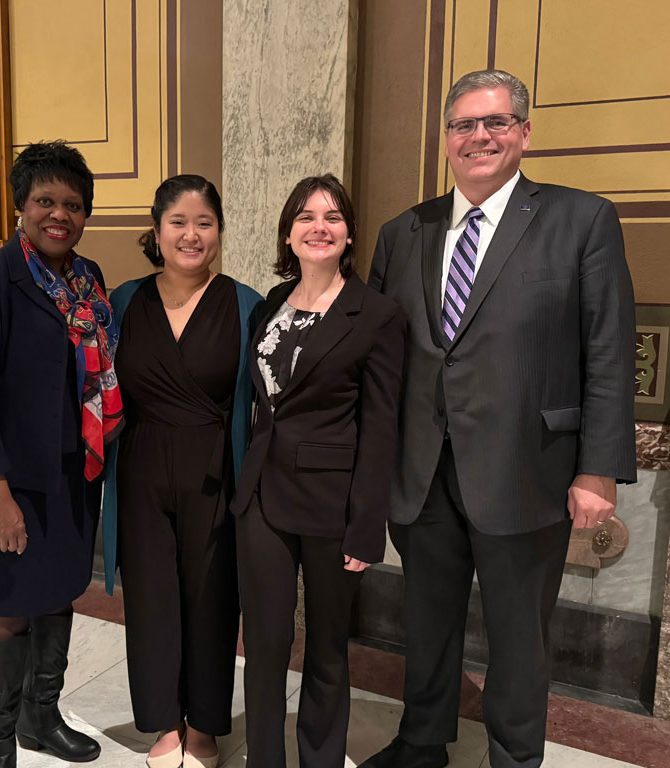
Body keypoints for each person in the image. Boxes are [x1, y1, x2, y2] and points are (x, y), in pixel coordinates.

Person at [360, 69, 636, 768]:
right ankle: (422, 743)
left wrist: (597, 470)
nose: (478, 136)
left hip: (528, 471)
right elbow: (380, 354)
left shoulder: (582, 219)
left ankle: (515, 759)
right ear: (445, 137)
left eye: (496, 122)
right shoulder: (404, 231)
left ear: (524, 133)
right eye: (463, 125)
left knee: (519, 637)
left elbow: (606, 352)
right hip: (422, 472)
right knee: (427, 623)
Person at [0, 140, 122, 766]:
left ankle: (39, 719)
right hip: (11, 482)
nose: (59, 214)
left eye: (72, 205)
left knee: (57, 592)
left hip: (74, 476)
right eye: (45, 200)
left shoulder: (88, 279)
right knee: (7, 607)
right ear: (20, 204)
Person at [230, 174, 405, 768]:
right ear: (288, 232)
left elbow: (381, 429)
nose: (318, 226)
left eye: (331, 217)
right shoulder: (271, 305)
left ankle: (320, 760)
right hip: (262, 498)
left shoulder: (377, 315)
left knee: (328, 646)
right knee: (265, 642)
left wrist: (367, 525)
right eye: (305, 216)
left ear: (349, 233)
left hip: (334, 506)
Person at [101, 174, 262, 768]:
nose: (191, 234)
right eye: (179, 222)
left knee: (212, 599)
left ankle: (205, 727)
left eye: (205, 223)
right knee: (150, 600)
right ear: (157, 229)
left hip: (214, 470)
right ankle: (163, 723)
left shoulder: (246, 304)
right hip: (140, 468)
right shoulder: (122, 301)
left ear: (219, 231)